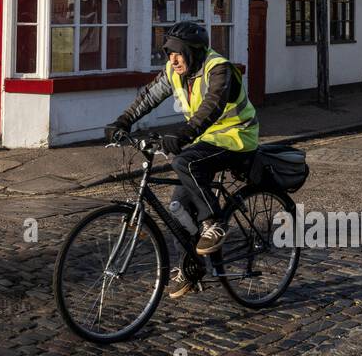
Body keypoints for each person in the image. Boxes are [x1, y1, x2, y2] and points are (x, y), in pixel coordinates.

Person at [104, 21, 259, 299]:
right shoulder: (174, 72)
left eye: (178, 53)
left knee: (183, 162)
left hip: (237, 138)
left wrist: (185, 134)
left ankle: (214, 223)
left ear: (194, 52)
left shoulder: (218, 68)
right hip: (205, 142)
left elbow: (213, 105)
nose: (173, 59)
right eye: (168, 53)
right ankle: (188, 267)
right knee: (177, 207)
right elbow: (148, 97)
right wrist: (123, 121)